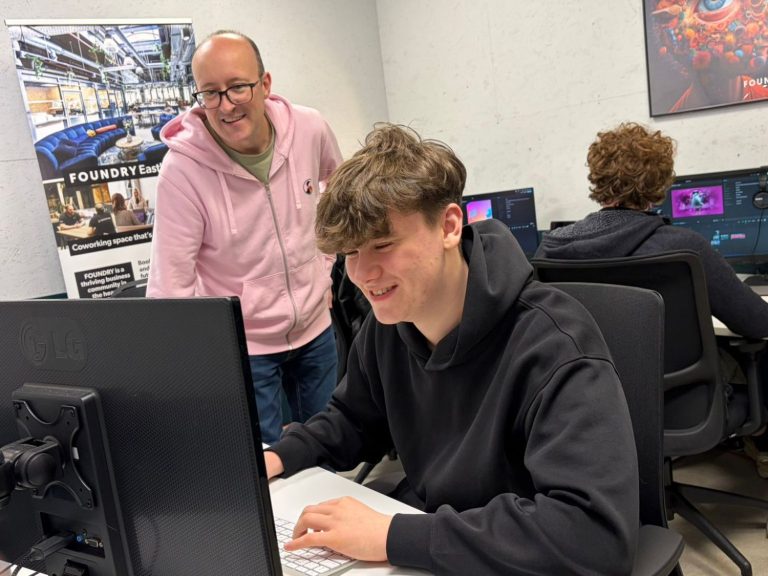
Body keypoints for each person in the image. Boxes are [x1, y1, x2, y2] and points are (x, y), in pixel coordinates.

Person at [264, 124, 639, 574]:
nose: (363, 273)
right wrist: (278, 456)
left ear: (448, 225)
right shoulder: (391, 322)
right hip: (437, 544)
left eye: (383, 244)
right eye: (349, 252)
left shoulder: (553, 345)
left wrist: (392, 534)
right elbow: (353, 420)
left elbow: (591, 533)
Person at [534, 121, 768, 474]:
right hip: (684, 410)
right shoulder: (684, 247)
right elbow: (757, 322)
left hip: (592, 407)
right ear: (660, 185)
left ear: (597, 180)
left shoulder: (552, 250)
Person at [147, 30, 343, 444]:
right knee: (263, 467)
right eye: (211, 93)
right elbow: (171, 286)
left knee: (330, 448)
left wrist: (324, 269)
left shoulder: (309, 128)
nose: (226, 105)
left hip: (315, 330)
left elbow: (341, 195)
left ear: (265, 84)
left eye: (238, 87)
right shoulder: (182, 172)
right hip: (245, 348)